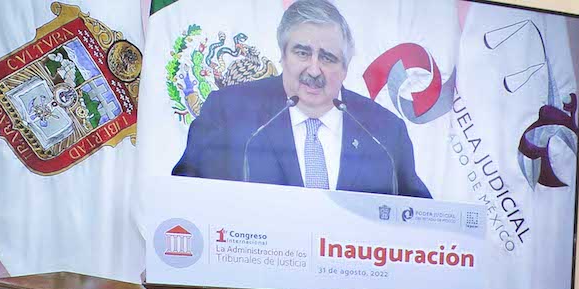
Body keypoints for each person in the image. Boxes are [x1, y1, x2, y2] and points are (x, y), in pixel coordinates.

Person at [169, 0, 429, 197]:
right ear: (282, 56)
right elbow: (184, 198)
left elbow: (416, 217)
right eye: (303, 53)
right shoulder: (228, 113)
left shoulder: (384, 132)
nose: (314, 70)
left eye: (328, 58)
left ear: (346, 67)